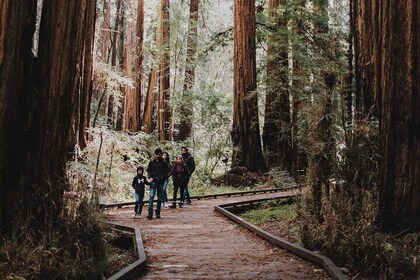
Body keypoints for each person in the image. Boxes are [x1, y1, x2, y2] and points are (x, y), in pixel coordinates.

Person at [146, 148, 171, 219]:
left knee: (159, 198)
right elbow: (148, 170)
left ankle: (158, 212)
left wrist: (163, 178)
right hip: (153, 181)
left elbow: (167, 172)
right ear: (155, 154)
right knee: (151, 196)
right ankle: (150, 213)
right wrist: (150, 177)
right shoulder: (152, 161)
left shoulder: (164, 163)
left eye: (159, 154)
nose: (158, 155)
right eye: (157, 154)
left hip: (161, 182)